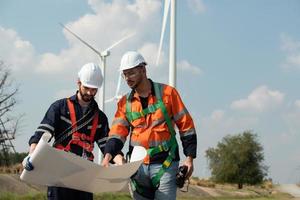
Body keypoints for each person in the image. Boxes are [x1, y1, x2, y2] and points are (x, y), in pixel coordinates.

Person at [101, 51, 197, 200]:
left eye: (131, 73)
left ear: (143, 70)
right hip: (137, 169)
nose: (127, 78)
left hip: (165, 164)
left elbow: (186, 126)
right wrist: (107, 157)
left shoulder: (168, 94)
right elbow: (116, 134)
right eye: (124, 74)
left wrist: (189, 158)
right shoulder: (124, 104)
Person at [23, 63, 123, 200]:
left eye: (94, 90)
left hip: (84, 176)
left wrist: (121, 164)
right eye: (86, 88)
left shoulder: (100, 117)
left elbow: (108, 146)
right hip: (59, 173)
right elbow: (42, 133)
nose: (90, 93)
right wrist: (32, 155)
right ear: (78, 82)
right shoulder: (59, 107)